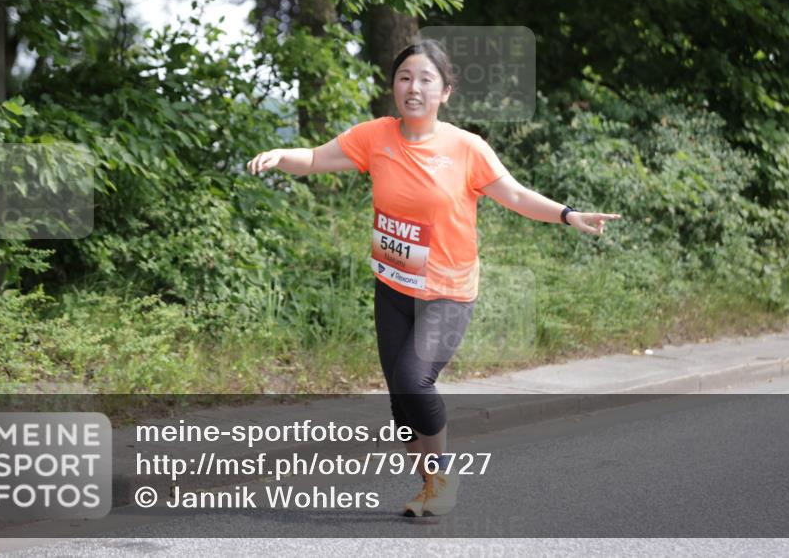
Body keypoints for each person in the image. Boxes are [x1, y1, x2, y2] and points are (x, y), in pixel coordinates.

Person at [247, 39, 620, 517]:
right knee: (401, 410)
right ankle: (429, 488)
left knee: (412, 379)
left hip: (448, 292)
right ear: (394, 87)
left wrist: (569, 215)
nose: (413, 88)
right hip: (393, 288)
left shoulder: (466, 148)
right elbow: (317, 158)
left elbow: (518, 196)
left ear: (445, 91)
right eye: (405, 78)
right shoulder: (375, 137)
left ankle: (442, 480)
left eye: (426, 79)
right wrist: (282, 154)